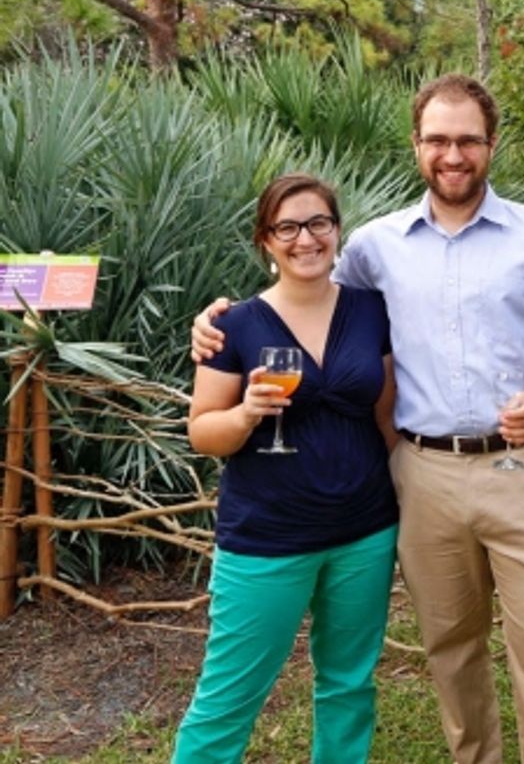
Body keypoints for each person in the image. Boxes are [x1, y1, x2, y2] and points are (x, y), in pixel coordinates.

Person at [193, 74, 524, 764]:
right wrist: (217, 320)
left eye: (467, 139)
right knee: (451, 651)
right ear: (416, 146)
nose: (453, 154)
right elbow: (305, 287)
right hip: (423, 475)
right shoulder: (375, 248)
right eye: (437, 139)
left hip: (522, 467)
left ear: (490, 145)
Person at [174, 174, 399, 764]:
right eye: (288, 227)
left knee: (349, 685)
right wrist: (246, 414)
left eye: (319, 223)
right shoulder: (234, 326)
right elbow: (203, 433)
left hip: (365, 531)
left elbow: (386, 419)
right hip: (267, 539)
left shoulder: (371, 311)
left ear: (337, 231)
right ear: (265, 241)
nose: (306, 239)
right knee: (228, 698)